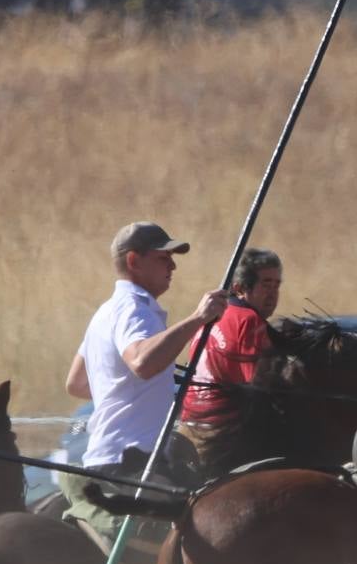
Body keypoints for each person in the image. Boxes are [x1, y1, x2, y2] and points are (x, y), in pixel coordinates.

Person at [60, 221, 227, 520]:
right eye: (163, 258)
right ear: (134, 261)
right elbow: (143, 363)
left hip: (107, 459)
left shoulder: (106, 311)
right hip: (132, 466)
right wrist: (199, 318)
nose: (173, 266)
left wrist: (126, 387)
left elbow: (76, 383)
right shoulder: (135, 309)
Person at [175, 247, 280, 476]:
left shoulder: (214, 312)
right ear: (241, 288)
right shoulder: (250, 321)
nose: (273, 294)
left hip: (189, 423)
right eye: (266, 284)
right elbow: (258, 386)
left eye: (276, 286)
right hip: (221, 433)